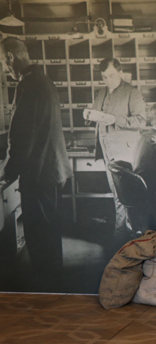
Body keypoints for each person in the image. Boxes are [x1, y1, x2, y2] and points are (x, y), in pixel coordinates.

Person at [0, 37, 73, 268]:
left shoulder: (27, 84)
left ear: (10, 57)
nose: (4, 69)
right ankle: (54, 281)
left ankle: (46, 284)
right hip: (53, 171)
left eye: (3, 62)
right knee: (50, 233)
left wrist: (7, 172)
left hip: (39, 175)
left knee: (39, 237)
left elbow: (21, 137)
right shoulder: (44, 80)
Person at [89, 58, 146, 243]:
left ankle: (122, 235)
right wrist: (89, 115)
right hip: (106, 149)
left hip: (124, 151)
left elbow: (141, 121)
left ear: (120, 73)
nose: (108, 80)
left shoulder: (132, 92)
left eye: (112, 76)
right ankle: (124, 233)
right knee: (116, 193)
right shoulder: (101, 92)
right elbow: (97, 115)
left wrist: (115, 120)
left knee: (125, 195)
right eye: (104, 77)